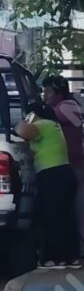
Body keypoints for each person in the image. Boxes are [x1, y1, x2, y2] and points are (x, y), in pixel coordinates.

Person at [15, 105, 80, 268]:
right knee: (65, 216)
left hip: (53, 175)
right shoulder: (52, 125)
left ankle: (55, 258)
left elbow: (22, 131)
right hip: (64, 174)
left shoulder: (42, 125)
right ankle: (71, 257)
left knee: (51, 217)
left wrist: (21, 122)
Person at [41, 75, 84, 250]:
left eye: (48, 91)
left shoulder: (68, 106)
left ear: (59, 93)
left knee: (76, 207)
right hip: (62, 165)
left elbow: (50, 116)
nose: (45, 95)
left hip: (74, 165)